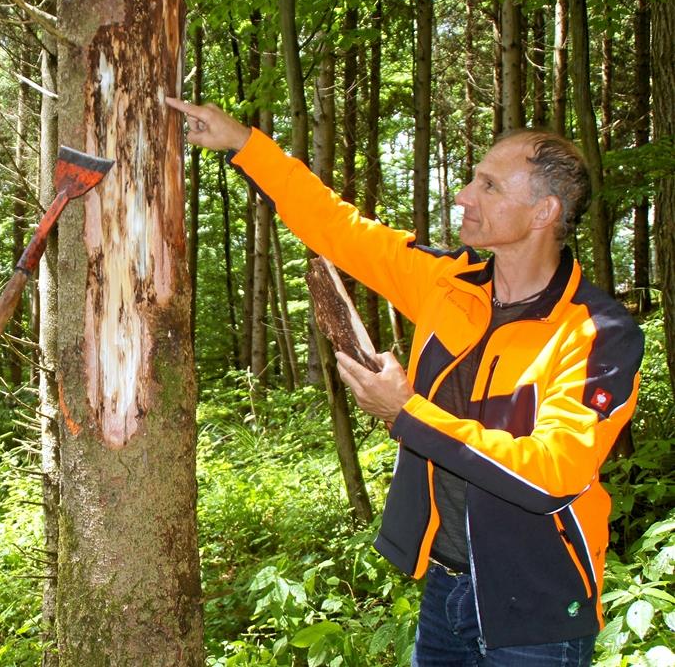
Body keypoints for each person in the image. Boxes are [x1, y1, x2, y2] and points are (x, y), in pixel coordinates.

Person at [167, 96, 644, 665]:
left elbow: (553, 474)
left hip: (538, 609)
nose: (464, 195)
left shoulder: (597, 332)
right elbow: (338, 228)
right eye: (472, 180)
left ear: (544, 212)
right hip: (445, 588)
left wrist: (406, 412)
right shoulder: (448, 282)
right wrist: (246, 144)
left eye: (489, 186)